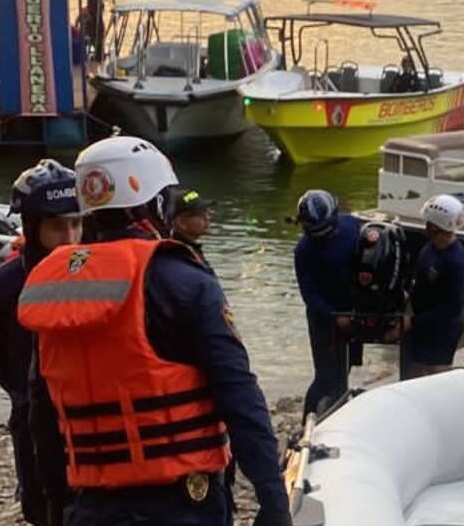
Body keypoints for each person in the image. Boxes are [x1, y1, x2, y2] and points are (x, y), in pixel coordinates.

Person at [18, 136, 291, 526]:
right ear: (155, 199)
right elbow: (238, 394)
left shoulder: (56, 288)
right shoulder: (181, 278)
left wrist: (55, 504)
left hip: (92, 505)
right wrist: (273, 500)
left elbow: (41, 413)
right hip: (181, 504)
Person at [0, 160, 80, 526]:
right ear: (33, 228)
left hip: (91, 418)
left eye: (77, 224)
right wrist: (29, 398)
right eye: (56, 226)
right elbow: (1, 364)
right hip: (32, 423)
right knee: (42, 511)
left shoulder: (102, 278)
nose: (69, 239)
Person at [293, 189, 363, 415]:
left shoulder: (353, 226)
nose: (324, 237)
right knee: (326, 376)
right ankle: (307, 423)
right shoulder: (304, 250)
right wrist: (334, 316)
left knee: (346, 369)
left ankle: (338, 410)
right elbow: (309, 295)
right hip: (324, 319)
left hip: (355, 311)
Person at [394, 195, 464, 379]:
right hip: (423, 323)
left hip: (443, 328)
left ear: (434, 226)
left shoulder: (455, 260)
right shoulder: (430, 248)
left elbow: (451, 308)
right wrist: (407, 294)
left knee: (437, 376)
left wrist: (413, 322)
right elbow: (420, 283)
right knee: (414, 372)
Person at [171, 187, 214, 264]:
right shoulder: (181, 255)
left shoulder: (189, 249)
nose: (208, 217)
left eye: (207, 212)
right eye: (201, 214)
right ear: (181, 222)